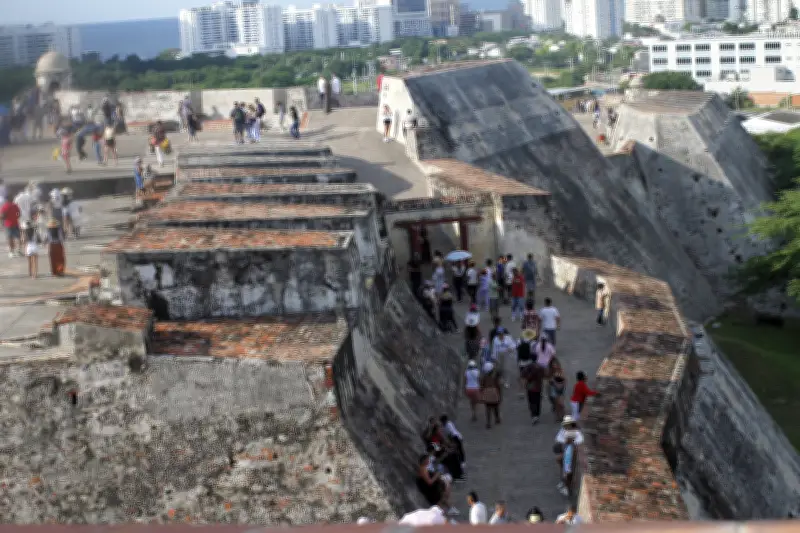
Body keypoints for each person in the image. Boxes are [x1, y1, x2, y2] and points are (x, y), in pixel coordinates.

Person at [522, 357, 545, 425]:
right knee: (537, 401)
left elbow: (523, 375)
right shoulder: (540, 367)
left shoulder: (528, 367)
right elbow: (543, 375)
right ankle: (537, 415)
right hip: (538, 387)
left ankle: (533, 414)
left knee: (531, 401)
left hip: (530, 387)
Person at [480, 362, 502, 429]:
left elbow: (482, 386)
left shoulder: (484, 377)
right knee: (496, 406)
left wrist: (482, 393)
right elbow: (498, 385)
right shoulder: (495, 377)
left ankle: (488, 422)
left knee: (488, 408)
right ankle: (497, 418)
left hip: (486, 391)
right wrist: (500, 394)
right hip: (494, 391)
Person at [517, 328, 536, 397]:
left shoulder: (519, 341)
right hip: (529, 362)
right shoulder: (533, 342)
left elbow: (517, 350)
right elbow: (534, 353)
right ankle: (531, 389)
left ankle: (521, 392)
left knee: (522, 377)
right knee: (531, 376)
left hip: (521, 362)